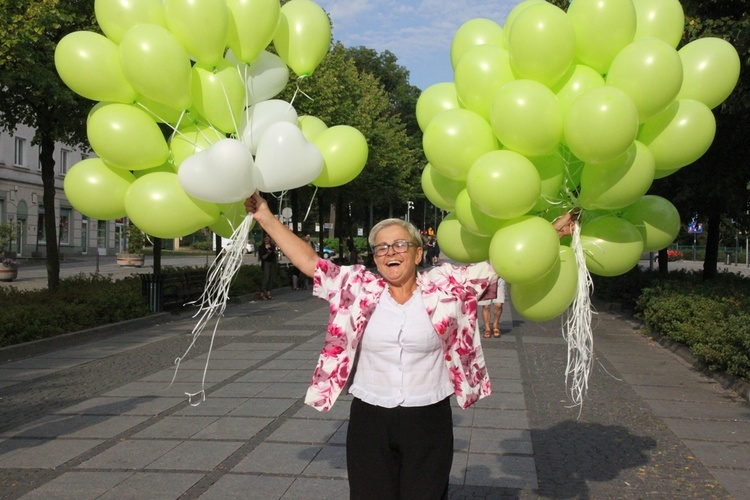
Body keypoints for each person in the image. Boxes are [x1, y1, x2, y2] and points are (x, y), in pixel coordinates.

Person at [245, 193, 576, 498]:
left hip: (429, 416)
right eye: (381, 247)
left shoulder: (446, 285)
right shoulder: (359, 287)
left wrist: (551, 231)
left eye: (400, 245)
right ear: (374, 257)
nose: (390, 252)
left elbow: (503, 265)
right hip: (370, 417)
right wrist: (265, 215)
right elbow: (309, 263)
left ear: (419, 253)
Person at [257, 233, 277, 300]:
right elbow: (262, 257)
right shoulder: (262, 247)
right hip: (266, 263)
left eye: (268, 238)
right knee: (266, 278)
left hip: (272, 262)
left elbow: (274, 254)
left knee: (271, 278)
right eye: (265, 238)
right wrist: (267, 253)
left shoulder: (272, 246)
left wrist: (275, 252)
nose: (266, 239)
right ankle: (262, 293)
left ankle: (269, 293)